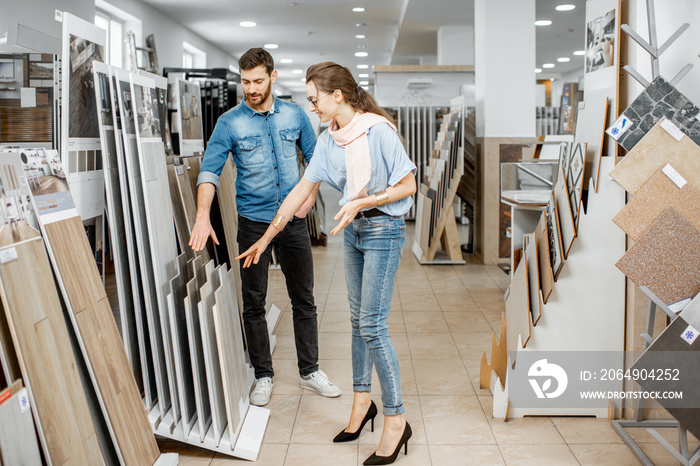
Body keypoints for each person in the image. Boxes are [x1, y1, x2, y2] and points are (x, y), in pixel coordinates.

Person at [237, 62, 417, 466]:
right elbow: (301, 190)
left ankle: (397, 419)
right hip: (352, 232)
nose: (311, 106)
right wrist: (265, 239)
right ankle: (361, 404)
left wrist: (364, 201)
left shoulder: (378, 131)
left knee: (372, 325)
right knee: (357, 322)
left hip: (383, 229)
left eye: (315, 99)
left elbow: (408, 184)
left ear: (337, 96)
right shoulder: (327, 139)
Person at [189, 48, 341, 407]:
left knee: (303, 297)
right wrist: (201, 216)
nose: (251, 88)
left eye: (258, 81)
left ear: (272, 77)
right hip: (253, 224)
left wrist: (309, 196)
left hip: (291, 222)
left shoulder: (296, 115)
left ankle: (310, 371)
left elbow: (316, 159)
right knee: (253, 302)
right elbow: (209, 172)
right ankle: (263, 375)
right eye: (245, 82)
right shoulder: (229, 122)